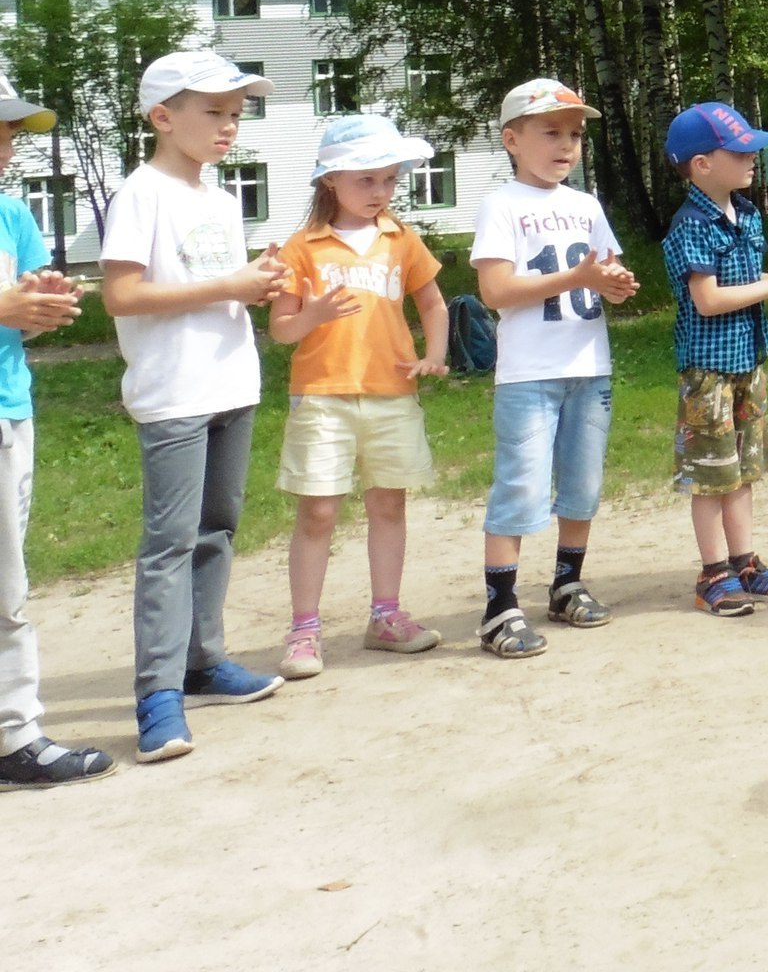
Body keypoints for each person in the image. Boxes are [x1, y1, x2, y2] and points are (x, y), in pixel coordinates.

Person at [99, 51, 288, 764]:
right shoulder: (141, 193)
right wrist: (230, 286)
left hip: (231, 383)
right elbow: (121, 296)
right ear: (162, 116)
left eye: (236, 113)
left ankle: (203, 662)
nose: (228, 126)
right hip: (173, 392)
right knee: (170, 544)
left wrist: (256, 283)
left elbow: (217, 284)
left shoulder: (219, 197)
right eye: (213, 111)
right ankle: (156, 695)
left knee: (218, 529)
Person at [267, 114, 452, 677]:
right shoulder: (302, 247)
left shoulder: (402, 239)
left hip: (392, 393)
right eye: (365, 180)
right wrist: (312, 313)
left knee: (388, 503)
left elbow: (434, 304)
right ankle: (304, 630)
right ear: (331, 180)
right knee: (318, 510)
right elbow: (280, 329)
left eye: (389, 180)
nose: (379, 193)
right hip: (322, 395)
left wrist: (435, 355)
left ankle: (386, 616)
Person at [471, 79, 641, 659]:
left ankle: (567, 583)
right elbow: (495, 290)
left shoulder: (585, 205)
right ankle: (500, 607)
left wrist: (616, 286)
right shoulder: (502, 205)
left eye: (575, 134)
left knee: (581, 485)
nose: (566, 145)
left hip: (588, 367)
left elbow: (608, 274)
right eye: (551, 132)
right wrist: (578, 278)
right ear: (512, 139)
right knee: (520, 486)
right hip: (528, 374)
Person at [662, 101, 768, 616]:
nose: (754, 155)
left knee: (743, 469)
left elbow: (749, 285)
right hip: (708, 373)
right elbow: (708, 300)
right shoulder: (692, 224)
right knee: (711, 474)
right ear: (702, 164)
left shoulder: (747, 213)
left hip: (747, 364)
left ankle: (744, 563)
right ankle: (713, 574)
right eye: (740, 149)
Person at [0, 70, 114, 789]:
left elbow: (21, 320)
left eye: (10, 132)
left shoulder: (11, 213)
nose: (7, 146)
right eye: (0, 130)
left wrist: (41, 306)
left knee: (5, 580)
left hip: (9, 409)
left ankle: (13, 732)